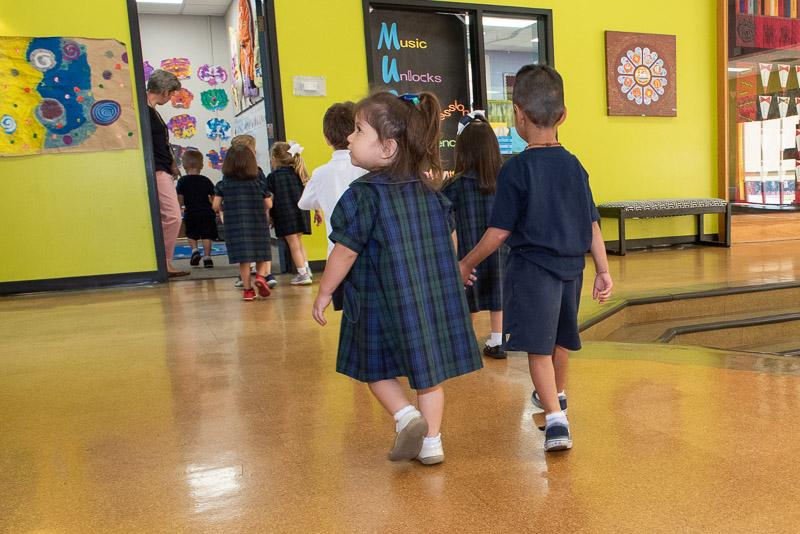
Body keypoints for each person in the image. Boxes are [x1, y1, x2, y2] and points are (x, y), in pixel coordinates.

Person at [312, 92, 482, 466]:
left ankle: (406, 416)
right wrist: (452, 272)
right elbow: (450, 238)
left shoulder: (362, 195)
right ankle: (432, 442)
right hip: (427, 297)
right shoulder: (430, 192)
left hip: (377, 300)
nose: (350, 138)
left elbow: (346, 250)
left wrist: (325, 291)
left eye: (358, 131)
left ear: (388, 147)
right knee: (429, 375)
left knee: (374, 369)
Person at [459, 65, 613, 453]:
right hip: (572, 270)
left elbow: (498, 233)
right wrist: (604, 269)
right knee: (561, 341)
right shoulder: (575, 165)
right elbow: (592, 222)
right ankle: (555, 397)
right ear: (563, 116)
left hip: (532, 272)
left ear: (518, 116)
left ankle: (557, 423)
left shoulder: (516, 170)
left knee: (538, 351)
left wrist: (466, 262)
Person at [443, 111, 507, 359]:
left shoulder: (453, 186)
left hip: (467, 255)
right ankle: (499, 339)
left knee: (465, 293)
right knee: (498, 293)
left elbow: (447, 227)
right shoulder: (505, 181)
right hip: (501, 251)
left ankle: (464, 344)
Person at [297, 102, 367, 257]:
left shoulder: (320, 173)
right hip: (368, 255)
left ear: (327, 139)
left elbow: (304, 203)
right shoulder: (367, 168)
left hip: (335, 254)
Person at [212, 145, 273, 301]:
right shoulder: (257, 182)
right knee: (261, 254)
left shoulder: (223, 183)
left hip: (235, 226)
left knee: (244, 260)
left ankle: (248, 290)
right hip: (257, 222)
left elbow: (215, 205)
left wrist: (223, 207)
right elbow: (269, 205)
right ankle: (260, 277)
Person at [146, 69, 188, 277]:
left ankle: (165, 261)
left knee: (169, 216)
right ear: (162, 91)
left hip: (163, 167)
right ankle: (165, 262)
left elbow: (161, 143)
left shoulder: (152, 111)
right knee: (173, 217)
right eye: (171, 93)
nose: (171, 97)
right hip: (156, 170)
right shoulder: (146, 111)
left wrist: (172, 162)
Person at [230, 134, 278, 289]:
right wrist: (268, 215)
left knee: (244, 247)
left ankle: (245, 280)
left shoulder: (229, 176)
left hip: (239, 219)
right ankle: (264, 274)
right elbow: (265, 198)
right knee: (262, 247)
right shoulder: (258, 173)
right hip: (258, 217)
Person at [267, 141, 313, 285]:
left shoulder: (272, 177)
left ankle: (302, 274)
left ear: (274, 158)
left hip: (285, 214)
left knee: (293, 245)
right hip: (301, 212)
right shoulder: (299, 172)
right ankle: (306, 269)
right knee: (299, 243)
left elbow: (270, 198)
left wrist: (269, 215)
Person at [176, 150, 217, 268]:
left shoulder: (182, 181)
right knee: (206, 235)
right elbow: (214, 197)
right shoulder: (206, 180)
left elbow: (180, 199)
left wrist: (179, 209)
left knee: (191, 233)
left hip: (191, 212)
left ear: (184, 166)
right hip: (206, 212)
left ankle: (194, 251)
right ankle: (207, 257)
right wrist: (215, 208)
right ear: (202, 166)